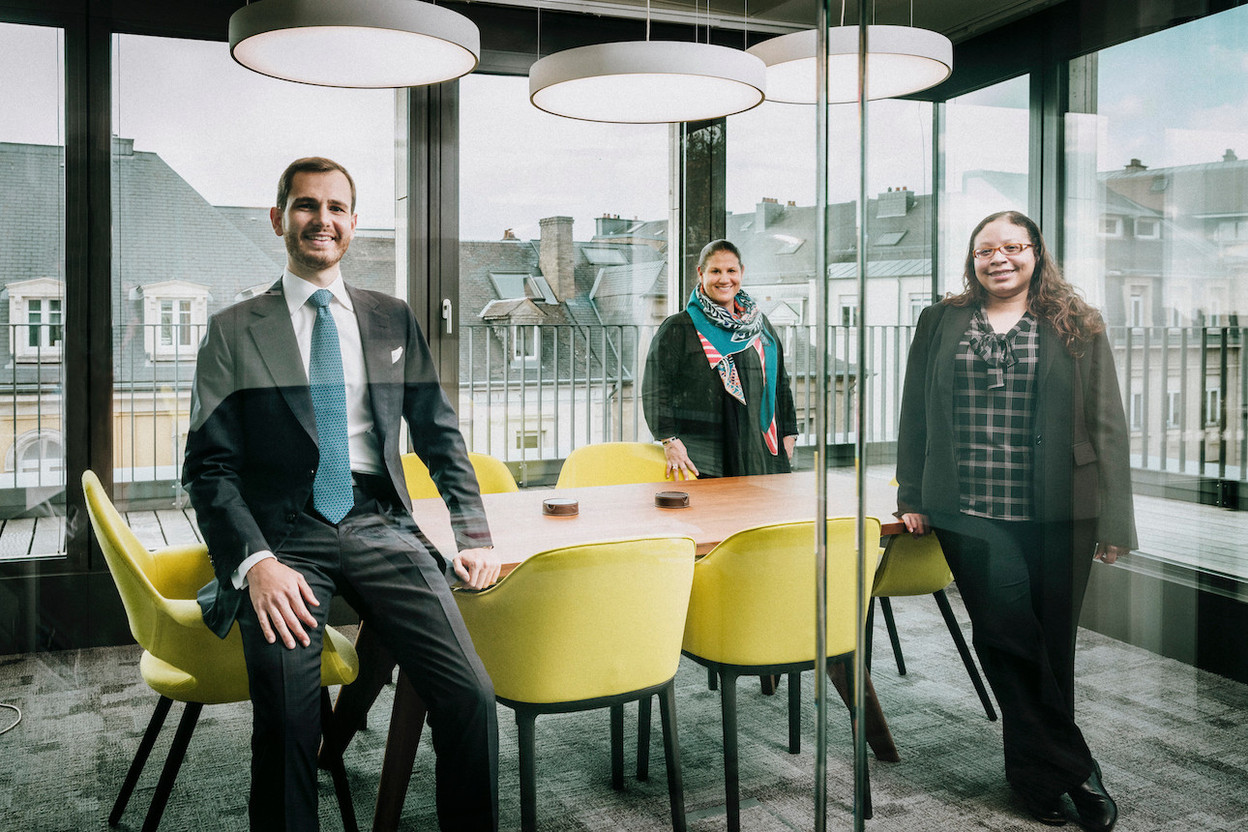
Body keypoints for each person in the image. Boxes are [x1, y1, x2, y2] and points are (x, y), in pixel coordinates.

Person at [182, 157, 500, 831]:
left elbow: (439, 434)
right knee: (291, 722)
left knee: (469, 694)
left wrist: (474, 534)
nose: (320, 220)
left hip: (379, 523)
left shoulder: (390, 318)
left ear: (353, 223)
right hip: (284, 537)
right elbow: (208, 469)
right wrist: (255, 564)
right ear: (279, 219)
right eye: (305, 206)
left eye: (335, 208)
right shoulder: (234, 331)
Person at [895, 211, 1136, 831]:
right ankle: (1080, 770)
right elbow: (915, 410)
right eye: (985, 250)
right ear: (971, 260)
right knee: (1007, 636)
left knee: (1052, 647)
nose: (999, 258)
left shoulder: (1076, 322)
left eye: (1012, 247)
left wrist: (1116, 517)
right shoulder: (940, 320)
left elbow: (1108, 421)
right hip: (970, 510)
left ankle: (1034, 779)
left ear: (1036, 253)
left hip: (1062, 509)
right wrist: (912, 491)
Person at [643, 239, 799, 480]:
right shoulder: (679, 327)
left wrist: (789, 433)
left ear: (741, 272)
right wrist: (669, 441)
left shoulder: (760, 325)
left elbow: (779, 381)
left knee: (765, 514)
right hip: (707, 458)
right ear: (700, 273)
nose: (724, 279)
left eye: (731, 271)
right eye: (715, 271)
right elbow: (655, 389)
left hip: (761, 453)